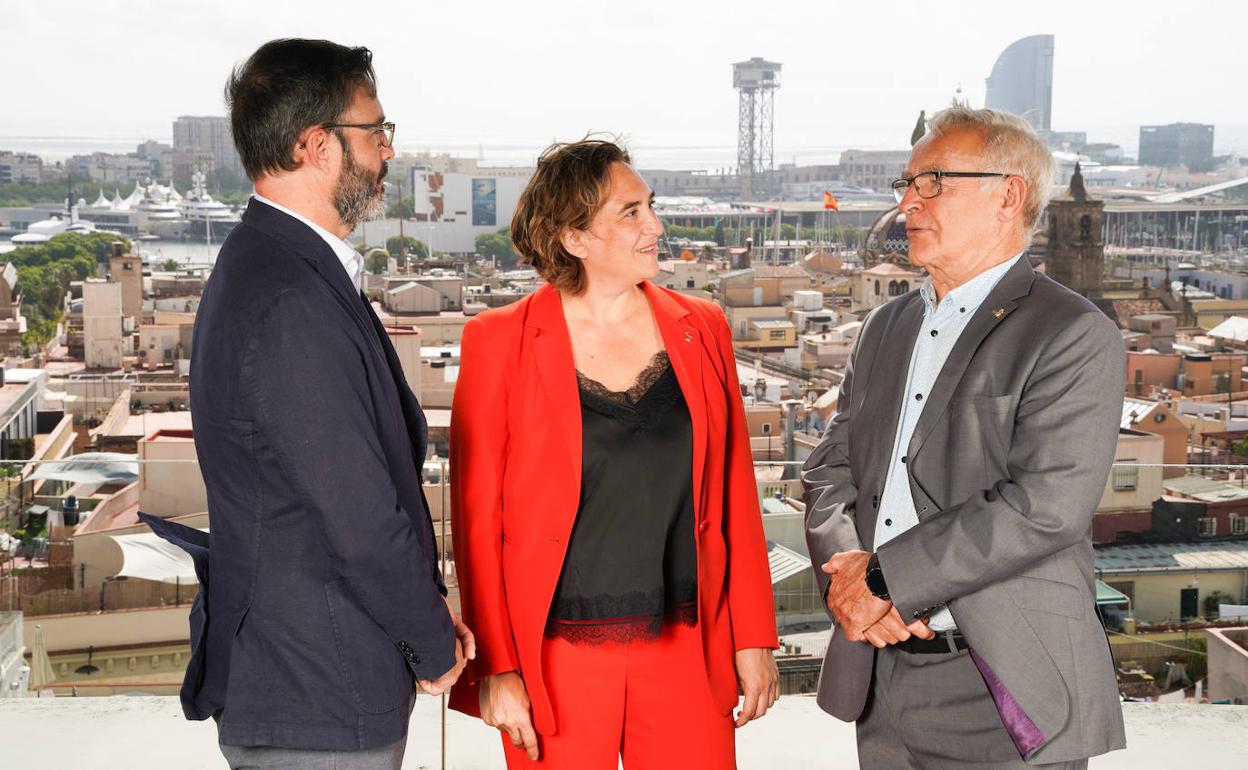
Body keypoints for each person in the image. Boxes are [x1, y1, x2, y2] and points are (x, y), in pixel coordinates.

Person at [156, 38, 473, 770]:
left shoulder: (277, 267)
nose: (389, 153)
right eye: (376, 132)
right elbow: (359, 516)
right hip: (315, 691)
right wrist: (429, 641)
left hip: (308, 680)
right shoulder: (290, 298)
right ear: (316, 146)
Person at [801, 107, 1127, 769]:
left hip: (1000, 687)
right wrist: (849, 579)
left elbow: (1045, 507)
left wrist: (886, 580)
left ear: (1007, 195)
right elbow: (831, 466)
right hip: (881, 677)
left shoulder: (1071, 333)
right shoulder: (885, 325)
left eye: (932, 183)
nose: (906, 202)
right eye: (906, 183)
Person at [449, 138, 779, 769]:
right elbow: (476, 520)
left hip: (690, 642)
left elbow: (736, 490)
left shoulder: (703, 325)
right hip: (554, 655)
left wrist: (754, 636)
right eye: (630, 212)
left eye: (649, 206)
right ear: (574, 237)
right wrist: (498, 666)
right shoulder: (498, 341)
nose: (654, 225)